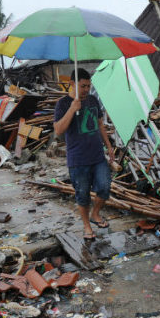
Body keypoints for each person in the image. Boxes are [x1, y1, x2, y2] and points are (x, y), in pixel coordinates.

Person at [54, 68, 115, 239]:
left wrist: (109, 146)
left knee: (104, 187)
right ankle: (87, 226)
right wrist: (72, 109)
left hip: (97, 155)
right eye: (83, 86)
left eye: (89, 86)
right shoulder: (63, 104)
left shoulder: (93, 100)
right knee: (82, 194)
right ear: (72, 84)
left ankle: (95, 214)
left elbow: (100, 124)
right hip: (78, 159)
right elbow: (58, 130)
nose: (87, 89)